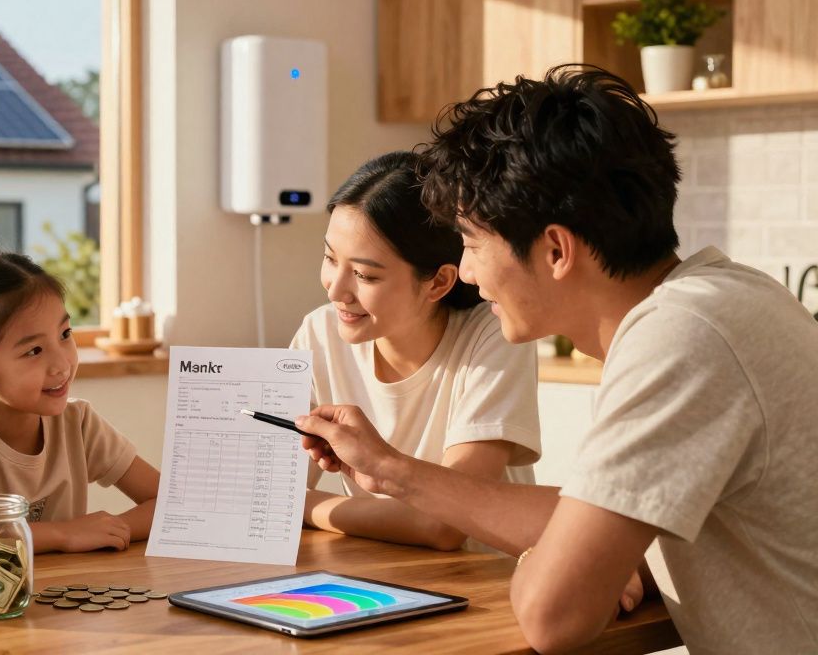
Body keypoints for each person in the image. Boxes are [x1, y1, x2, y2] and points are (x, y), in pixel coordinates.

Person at [297, 65, 818, 653]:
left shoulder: (680, 339)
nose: (466, 272)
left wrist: (548, 558)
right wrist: (391, 472)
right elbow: (602, 513)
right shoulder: (726, 298)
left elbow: (552, 619)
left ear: (554, 249)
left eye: (470, 244)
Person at [292, 152, 540, 551]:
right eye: (329, 258)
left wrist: (305, 507)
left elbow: (443, 526)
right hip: (375, 577)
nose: (335, 290)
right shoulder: (319, 333)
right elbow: (270, 494)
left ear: (439, 282)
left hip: (482, 587)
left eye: (364, 274)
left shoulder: (492, 337)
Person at [0, 252, 159, 558]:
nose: (61, 364)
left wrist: (110, 529)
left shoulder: (79, 422)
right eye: (34, 350)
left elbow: (171, 504)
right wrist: (62, 534)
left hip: (61, 595)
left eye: (65, 334)